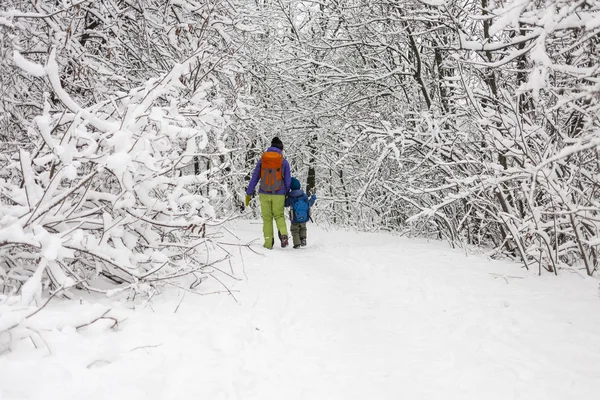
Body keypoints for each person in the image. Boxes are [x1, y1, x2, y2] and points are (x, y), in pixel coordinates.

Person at [245, 137, 291, 249]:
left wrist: (249, 193)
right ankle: (283, 233)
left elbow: (255, 177)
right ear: (281, 149)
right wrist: (286, 193)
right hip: (279, 193)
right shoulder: (283, 162)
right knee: (279, 216)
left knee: (267, 219)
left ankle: (268, 243)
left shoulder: (262, 160)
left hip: (264, 193)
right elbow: (288, 180)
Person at [285, 177, 316, 249]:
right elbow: (309, 204)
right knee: (303, 228)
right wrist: (313, 199)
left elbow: (285, 204)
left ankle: (297, 244)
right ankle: (303, 239)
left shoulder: (291, 196)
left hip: (295, 218)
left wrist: (285, 196)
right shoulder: (304, 195)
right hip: (304, 217)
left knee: (294, 230)